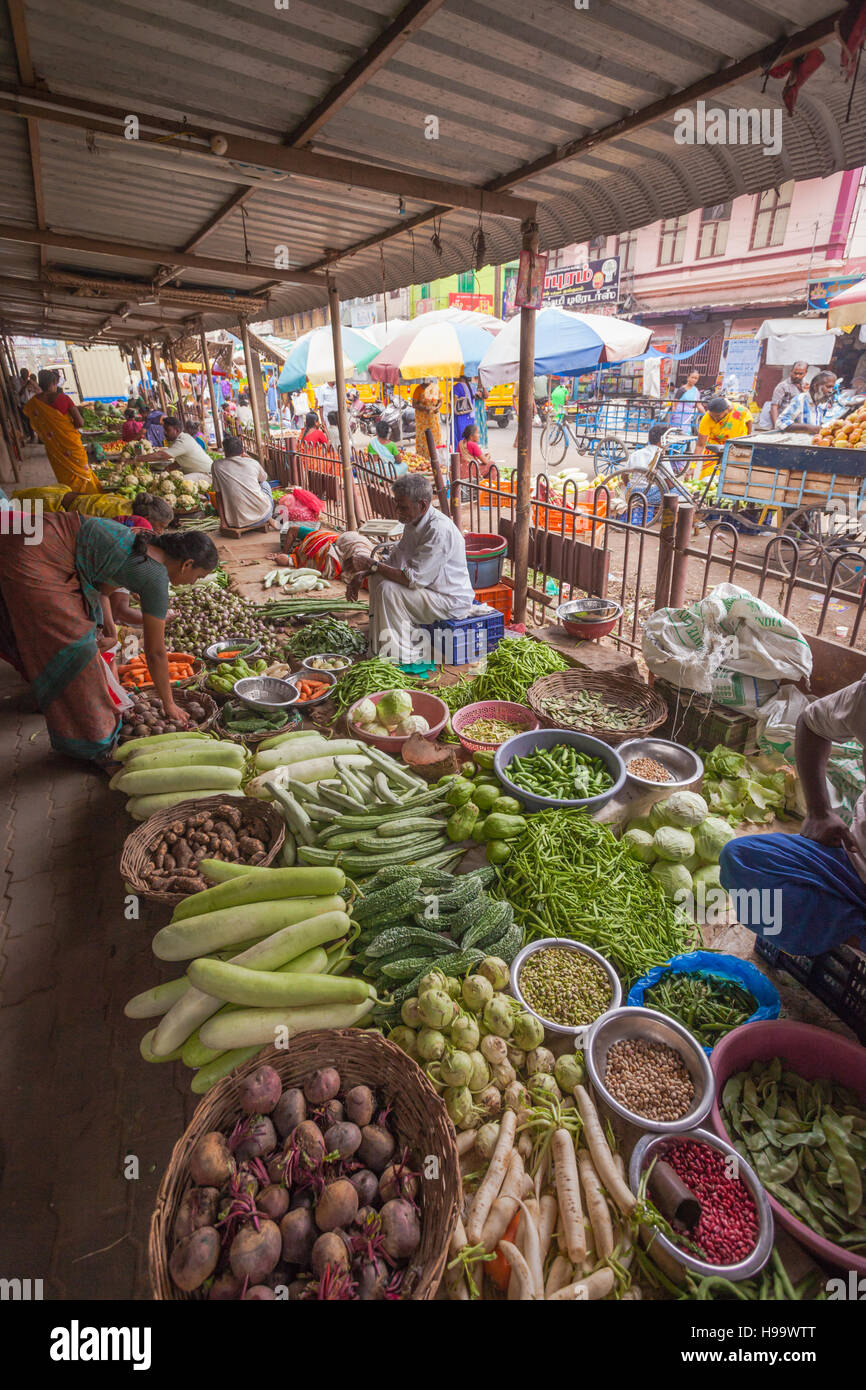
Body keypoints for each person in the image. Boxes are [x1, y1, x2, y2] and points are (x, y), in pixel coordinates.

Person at [0, 517, 217, 759]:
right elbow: (156, 653)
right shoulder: (155, 577)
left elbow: (102, 589)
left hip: (37, 534)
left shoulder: (142, 542)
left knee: (89, 637)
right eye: (198, 576)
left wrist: (112, 632)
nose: (193, 582)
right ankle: (92, 745)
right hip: (35, 555)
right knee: (78, 653)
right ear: (187, 564)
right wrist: (169, 704)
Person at [720, 679, 866, 956]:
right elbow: (812, 723)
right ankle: (850, 929)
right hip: (854, 859)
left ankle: (843, 927)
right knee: (740, 859)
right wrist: (819, 811)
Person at [346, 473, 475, 664]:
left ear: (422, 505)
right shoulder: (413, 522)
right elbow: (396, 560)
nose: (397, 510)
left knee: (389, 590)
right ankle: (380, 643)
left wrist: (371, 564)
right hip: (429, 591)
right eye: (397, 504)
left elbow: (413, 580)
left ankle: (400, 655)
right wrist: (364, 572)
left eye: (403, 506)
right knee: (377, 578)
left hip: (449, 600)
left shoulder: (438, 530)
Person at [22, 368, 99, 493]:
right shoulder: (64, 398)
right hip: (71, 443)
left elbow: (35, 422)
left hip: (54, 447)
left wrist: (55, 431)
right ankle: (89, 495)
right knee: (82, 470)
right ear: (53, 383)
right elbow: (80, 422)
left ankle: (72, 498)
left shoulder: (33, 403)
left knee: (65, 475)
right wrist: (66, 429)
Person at [212, 434, 274, 530]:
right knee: (264, 484)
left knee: (221, 491)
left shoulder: (216, 466)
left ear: (225, 451)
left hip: (236, 522)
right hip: (262, 517)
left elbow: (218, 495)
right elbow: (264, 478)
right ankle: (269, 518)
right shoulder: (253, 463)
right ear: (242, 450)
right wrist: (248, 458)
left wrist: (223, 523)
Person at [776, 370, 844, 435]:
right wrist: (808, 428)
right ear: (816, 386)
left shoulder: (822, 403)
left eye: (832, 388)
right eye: (828, 387)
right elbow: (781, 422)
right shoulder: (800, 400)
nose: (830, 391)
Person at [146, 417, 213, 475]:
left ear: (177, 430)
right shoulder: (177, 439)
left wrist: (137, 458)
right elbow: (181, 461)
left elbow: (161, 456)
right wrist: (167, 469)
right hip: (197, 473)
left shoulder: (183, 441)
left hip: (206, 473)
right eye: (164, 429)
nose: (164, 432)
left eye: (167, 430)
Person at [755, 361, 809, 431]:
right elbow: (774, 406)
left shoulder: (806, 385)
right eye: (795, 373)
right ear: (791, 371)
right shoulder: (783, 386)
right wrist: (776, 426)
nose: (797, 376)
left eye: (800, 374)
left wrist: (805, 392)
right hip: (785, 423)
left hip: (800, 423)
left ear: (805, 373)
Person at [411, 380, 442, 464]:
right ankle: (423, 460)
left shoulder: (435, 387)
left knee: (434, 438)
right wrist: (425, 408)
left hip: (433, 419)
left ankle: (435, 458)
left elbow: (440, 401)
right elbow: (414, 404)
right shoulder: (418, 389)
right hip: (422, 420)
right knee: (423, 439)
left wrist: (437, 408)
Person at [451, 374, 475, 450]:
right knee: (469, 436)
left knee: (459, 436)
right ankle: (469, 453)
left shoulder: (457, 386)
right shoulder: (471, 386)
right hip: (470, 416)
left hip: (460, 416)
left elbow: (454, 402)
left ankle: (460, 455)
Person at [17, 367, 37, 442]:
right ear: (21, 374)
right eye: (24, 374)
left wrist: (31, 386)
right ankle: (30, 436)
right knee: (27, 422)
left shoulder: (30, 382)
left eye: (26, 374)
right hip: (24, 404)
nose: (25, 375)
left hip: (31, 404)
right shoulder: (18, 382)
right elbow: (19, 393)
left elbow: (35, 391)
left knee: (32, 421)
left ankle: (34, 437)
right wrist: (25, 385)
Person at [473, 382, 489, 448]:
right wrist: (475, 393)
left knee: (481, 426)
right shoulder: (470, 381)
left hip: (481, 409)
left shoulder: (483, 381)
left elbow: (486, 396)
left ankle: (480, 444)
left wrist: (484, 386)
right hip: (473, 408)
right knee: (474, 427)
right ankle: (474, 445)